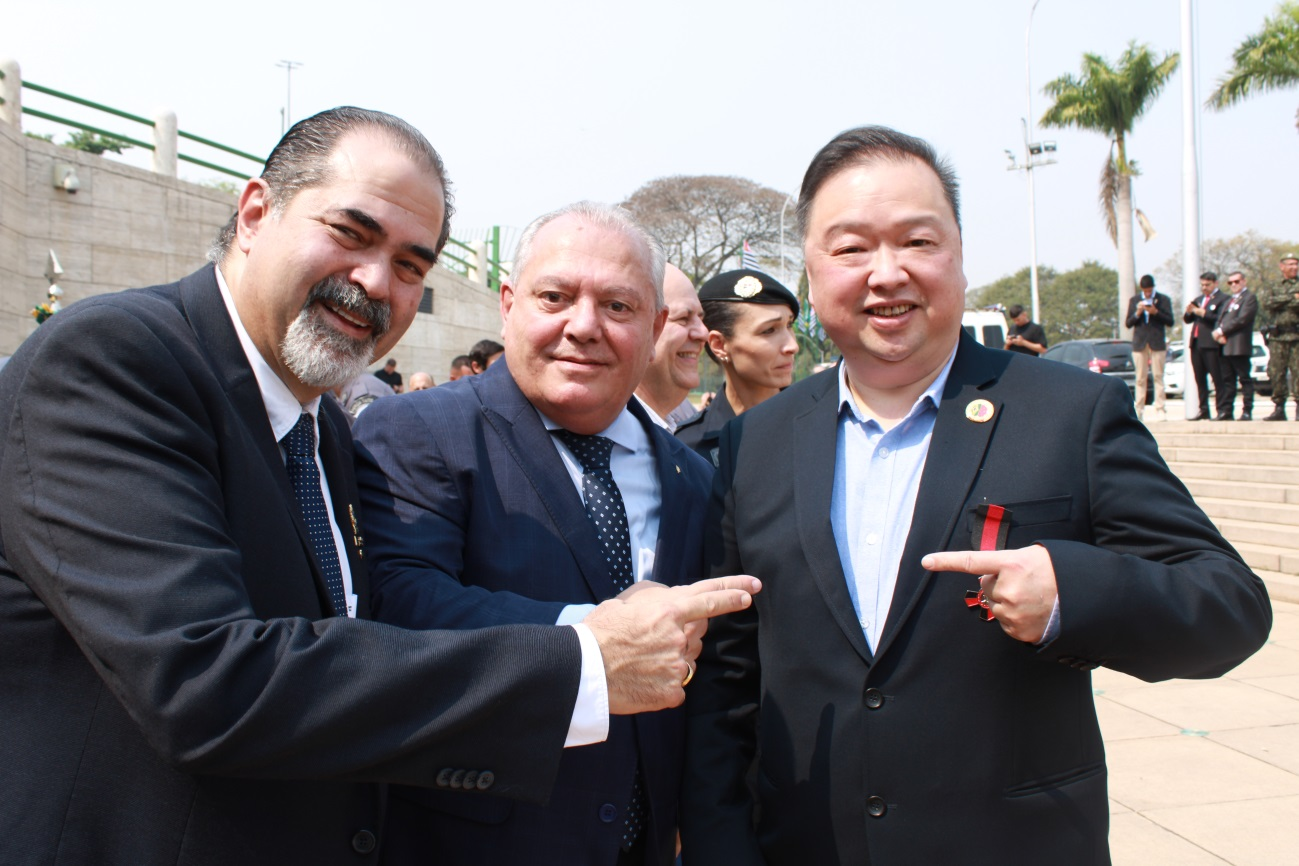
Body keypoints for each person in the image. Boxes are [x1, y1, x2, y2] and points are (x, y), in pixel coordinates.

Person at [0, 108, 759, 866]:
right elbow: (203, 680)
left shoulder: (319, 429)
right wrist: (583, 661)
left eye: (409, 265)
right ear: (255, 213)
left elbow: (340, 656)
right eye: (351, 234)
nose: (374, 283)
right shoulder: (113, 362)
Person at [679, 125, 1271, 866]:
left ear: (958, 256)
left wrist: (1071, 596)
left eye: (916, 242)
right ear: (811, 271)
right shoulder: (752, 444)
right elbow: (726, 688)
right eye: (851, 247)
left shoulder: (1067, 416)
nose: (885, 273)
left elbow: (1228, 603)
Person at [353, 202, 718, 866]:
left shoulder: (693, 477)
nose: (582, 326)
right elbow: (401, 603)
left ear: (657, 325)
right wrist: (597, 639)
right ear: (508, 302)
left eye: (617, 307)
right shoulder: (414, 432)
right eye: (555, 297)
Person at [675, 269, 799, 466]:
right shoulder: (690, 447)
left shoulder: (822, 422)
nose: (792, 346)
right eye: (768, 331)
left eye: (789, 325)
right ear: (719, 344)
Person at [635, 263, 708, 432]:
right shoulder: (602, 442)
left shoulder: (677, 426)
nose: (703, 333)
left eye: (700, 318)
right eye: (683, 318)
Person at [1126, 274, 1174, 420]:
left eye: (1149, 291)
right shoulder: (1134, 300)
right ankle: (1139, 408)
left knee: (1158, 375)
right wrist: (1138, 312)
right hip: (1140, 342)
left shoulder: (1163, 299)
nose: (1147, 294)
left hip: (1157, 341)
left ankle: (1160, 407)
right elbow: (1128, 323)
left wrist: (1155, 312)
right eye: (1145, 291)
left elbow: (1170, 321)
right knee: (1140, 377)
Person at [1213, 271, 1259, 421]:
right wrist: (1218, 333)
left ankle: (1247, 410)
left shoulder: (1249, 298)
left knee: (1244, 379)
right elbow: (1220, 319)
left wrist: (1222, 331)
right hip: (1225, 346)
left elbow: (1242, 319)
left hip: (1239, 346)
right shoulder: (1229, 300)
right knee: (1227, 380)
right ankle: (1226, 410)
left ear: (1244, 281)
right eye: (1230, 282)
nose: (1233, 284)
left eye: (1237, 281)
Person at [1184, 271, 1229, 420]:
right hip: (1196, 344)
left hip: (1211, 344)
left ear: (1215, 283)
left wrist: (1202, 312)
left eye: (1207, 285)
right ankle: (1203, 409)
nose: (1204, 288)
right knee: (1200, 379)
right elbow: (1188, 319)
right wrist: (1190, 311)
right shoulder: (1199, 299)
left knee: (1217, 378)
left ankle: (1222, 409)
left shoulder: (1223, 299)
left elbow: (1218, 318)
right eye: (1202, 285)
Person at [1261, 253, 1299, 421]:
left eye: (1296, 264)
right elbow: (1267, 303)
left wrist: (1280, 301)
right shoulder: (1273, 285)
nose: (1294, 267)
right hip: (1278, 336)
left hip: (1296, 335)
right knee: (1276, 373)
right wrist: (1292, 298)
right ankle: (1279, 408)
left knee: (1298, 372)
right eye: (1290, 264)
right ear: (1282, 266)